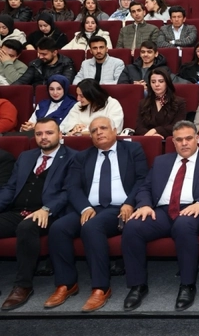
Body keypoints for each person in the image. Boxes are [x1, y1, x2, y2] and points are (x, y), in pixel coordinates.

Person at [121, 121, 199, 311]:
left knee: (183, 224)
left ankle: (187, 285)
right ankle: (137, 285)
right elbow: (145, 187)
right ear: (173, 142)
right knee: (133, 226)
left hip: (197, 210)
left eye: (188, 138)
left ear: (197, 139)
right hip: (163, 210)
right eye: (179, 140)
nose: (184, 143)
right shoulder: (161, 161)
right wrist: (144, 204)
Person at [45, 117, 147, 312]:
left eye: (103, 128)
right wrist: (84, 208)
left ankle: (101, 287)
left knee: (92, 227)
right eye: (94, 130)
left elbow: (143, 179)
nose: (99, 132)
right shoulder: (82, 157)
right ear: (90, 136)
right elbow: (73, 187)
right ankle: (66, 284)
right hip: (89, 208)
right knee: (58, 228)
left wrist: (130, 203)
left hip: (119, 208)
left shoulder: (133, 150)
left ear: (114, 130)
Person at [0, 118, 75, 310]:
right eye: (39, 133)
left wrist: (46, 209)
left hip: (49, 213)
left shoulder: (72, 157)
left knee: (27, 227)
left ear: (60, 135)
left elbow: (69, 191)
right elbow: (10, 188)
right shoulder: (26, 157)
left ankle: (23, 286)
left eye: (49, 133)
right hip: (17, 211)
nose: (44, 137)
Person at [134, 68, 187, 138]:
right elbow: (138, 128)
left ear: (167, 83)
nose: (156, 84)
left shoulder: (179, 102)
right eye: (153, 82)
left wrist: (155, 130)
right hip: (148, 139)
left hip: (169, 140)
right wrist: (153, 136)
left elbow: (178, 126)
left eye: (161, 81)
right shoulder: (143, 103)